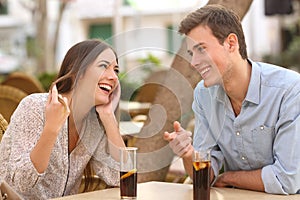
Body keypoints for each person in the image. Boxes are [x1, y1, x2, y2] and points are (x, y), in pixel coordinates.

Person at [164, 5, 300, 195]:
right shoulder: (204, 95)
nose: (194, 62)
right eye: (191, 53)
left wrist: (229, 178)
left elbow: (287, 180)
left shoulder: (290, 90)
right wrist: (188, 154)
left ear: (231, 43)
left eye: (201, 49)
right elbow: (205, 177)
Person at [0, 39, 126, 199]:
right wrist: (51, 129)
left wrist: (109, 118)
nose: (114, 77)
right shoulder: (35, 107)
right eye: (103, 66)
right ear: (77, 72)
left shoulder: (94, 124)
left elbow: (122, 178)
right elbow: (21, 184)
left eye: (116, 70)